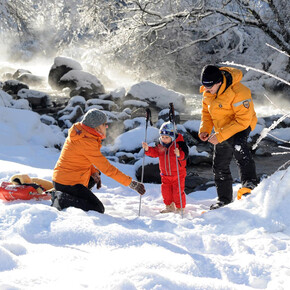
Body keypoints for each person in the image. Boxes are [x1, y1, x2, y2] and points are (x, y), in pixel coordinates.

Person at [52, 108, 146, 213]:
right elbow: (108, 169)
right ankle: (61, 199)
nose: (106, 127)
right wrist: (130, 183)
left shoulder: (81, 133)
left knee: (96, 173)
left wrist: (93, 171)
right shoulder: (86, 141)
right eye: (104, 124)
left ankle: (73, 196)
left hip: (64, 178)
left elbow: (82, 157)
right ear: (97, 127)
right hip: (68, 183)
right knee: (97, 208)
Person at [199, 64, 259, 210]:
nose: (206, 90)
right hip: (222, 127)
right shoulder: (208, 92)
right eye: (204, 86)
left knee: (239, 147)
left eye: (209, 87)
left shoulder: (239, 92)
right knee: (219, 163)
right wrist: (205, 129)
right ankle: (224, 199)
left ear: (219, 82)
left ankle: (249, 184)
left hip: (242, 125)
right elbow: (206, 113)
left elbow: (242, 121)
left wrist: (219, 136)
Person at [142, 121, 188, 213]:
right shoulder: (160, 146)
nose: (164, 139)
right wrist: (147, 149)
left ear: (172, 137)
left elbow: (185, 156)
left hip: (178, 175)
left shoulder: (179, 145)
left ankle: (180, 208)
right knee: (166, 192)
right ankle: (169, 206)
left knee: (177, 192)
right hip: (165, 175)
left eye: (167, 137)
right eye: (162, 137)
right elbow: (154, 152)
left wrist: (179, 154)